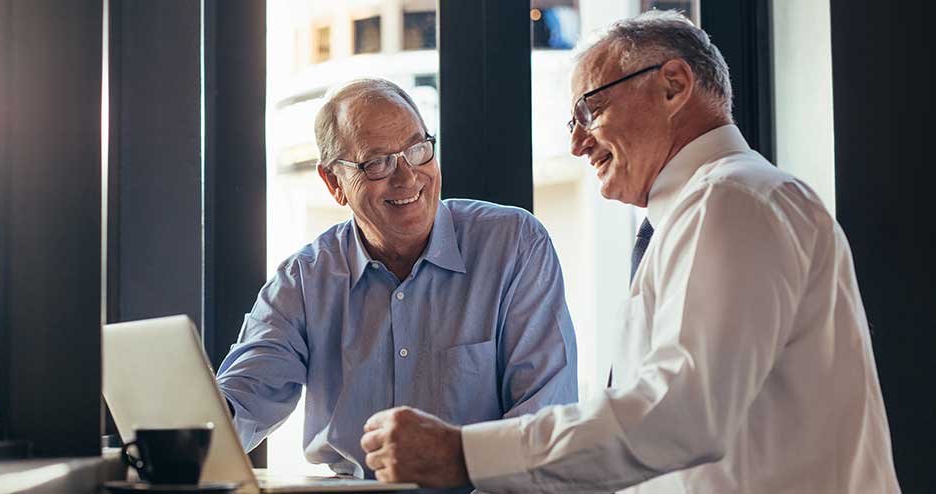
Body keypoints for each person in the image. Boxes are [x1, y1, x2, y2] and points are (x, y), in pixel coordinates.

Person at [360, 11, 899, 493]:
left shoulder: (731, 199)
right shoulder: (710, 208)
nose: (576, 143)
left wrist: (465, 453)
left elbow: (680, 415)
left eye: (589, 109)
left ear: (673, 85)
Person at [215, 78, 578, 478]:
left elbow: (544, 416)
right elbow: (244, 397)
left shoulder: (514, 244)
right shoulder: (304, 279)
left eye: (418, 150)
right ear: (334, 183)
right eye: (377, 163)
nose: (407, 178)